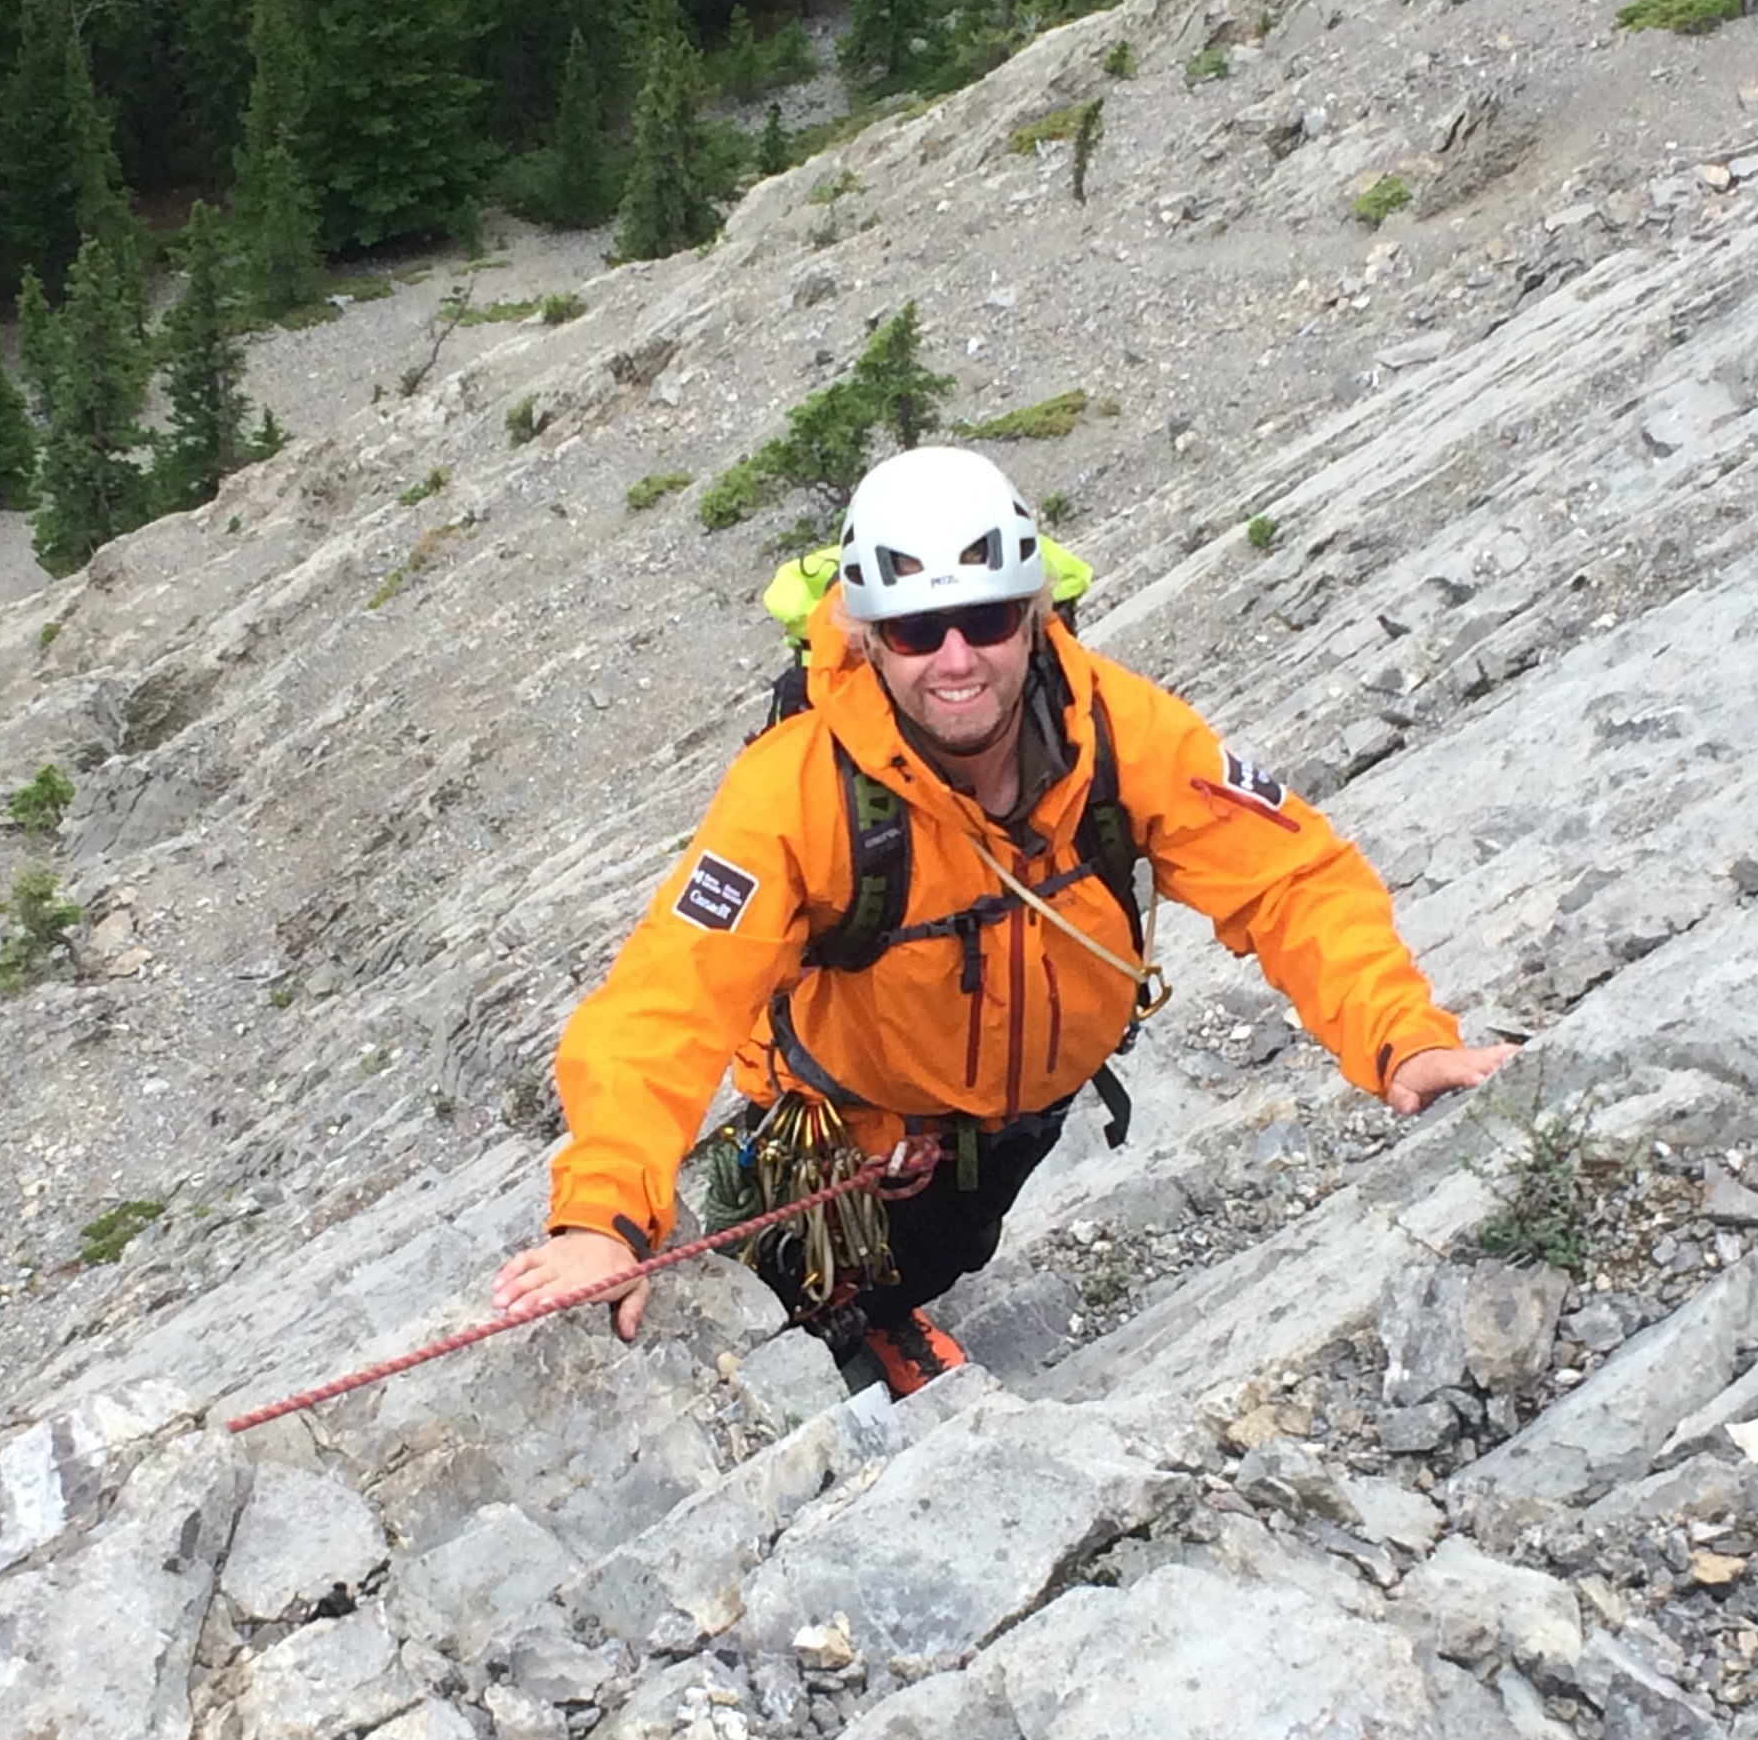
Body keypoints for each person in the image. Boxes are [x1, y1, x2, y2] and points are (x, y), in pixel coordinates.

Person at [492, 448, 1513, 1394]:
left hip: (1021, 1111)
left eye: (984, 619)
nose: (954, 658)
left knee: (949, 1246)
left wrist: (1402, 1040)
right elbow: (664, 999)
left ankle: (884, 1314)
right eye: (914, 630)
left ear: (1032, 612)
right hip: (848, 1131)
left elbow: (1289, 877)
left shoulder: (1122, 731)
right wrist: (601, 1218)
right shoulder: (796, 791)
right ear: (868, 638)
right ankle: (840, 1323)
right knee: (757, 1267)